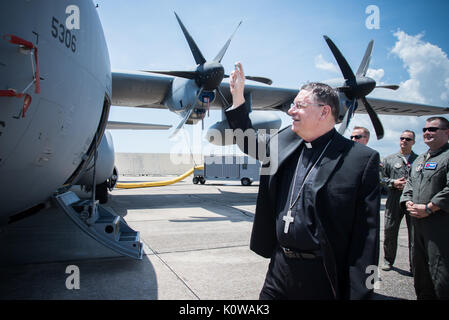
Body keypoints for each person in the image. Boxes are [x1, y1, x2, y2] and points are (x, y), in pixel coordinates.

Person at [225, 62, 380, 300]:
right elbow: (249, 142)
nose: (290, 111)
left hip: (324, 274)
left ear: (324, 112)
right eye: (292, 105)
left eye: (299, 106)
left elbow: (366, 236)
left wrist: (360, 291)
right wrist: (237, 99)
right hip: (280, 268)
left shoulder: (360, 160)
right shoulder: (284, 142)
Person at [400, 117, 449, 300]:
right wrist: (408, 202)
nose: (427, 132)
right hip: (417, 224)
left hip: (439, 224)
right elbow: (410, 184)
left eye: (433, 129)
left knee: (440, 272)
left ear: (447, 132)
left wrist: (429, 208)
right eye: (425, 129)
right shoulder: (420, 158)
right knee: (420, 271)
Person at [380, 130, 418, 273]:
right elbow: (381, 179)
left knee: (414, 234)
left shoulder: (419, 159)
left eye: (408, 139)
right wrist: (393, 182)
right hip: (394, 199)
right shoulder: (389, 159)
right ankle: (388, 260)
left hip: (412, 200)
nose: (404, 141)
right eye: (402, 138)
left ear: (413, 142)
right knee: (390, 231)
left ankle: (414, 265)